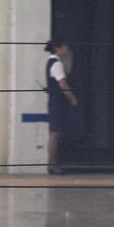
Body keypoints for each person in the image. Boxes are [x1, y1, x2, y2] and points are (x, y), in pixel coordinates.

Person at [42, 38, 78, 173]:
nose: (66, 49)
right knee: (55, 134)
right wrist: (72, 98)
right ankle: (52, 164)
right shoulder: (57, 64)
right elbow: (63, 84)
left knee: (54, 133)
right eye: (65, 46)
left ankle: (52, 163)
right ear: (58, 48)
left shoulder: (50, 62)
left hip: (53, 101)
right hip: (57, 102)